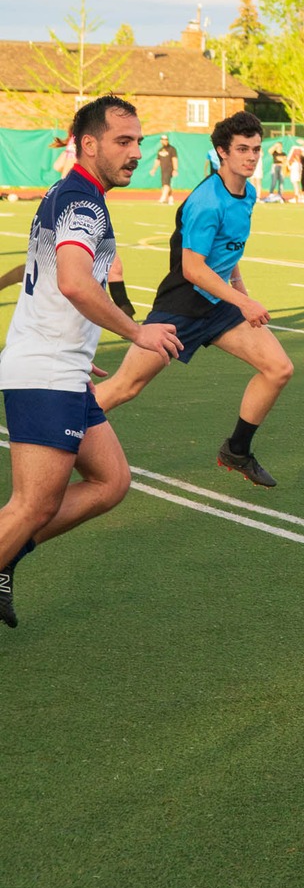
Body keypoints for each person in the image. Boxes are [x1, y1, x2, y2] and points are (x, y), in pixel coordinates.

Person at [0, 97, 182, 629]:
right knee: (33, 505)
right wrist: (137, 332)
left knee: (111, 481)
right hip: (45, 372)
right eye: (123, 141)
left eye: (138, 141)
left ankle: (7, 554)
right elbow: (75, 282)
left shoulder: (71, 193)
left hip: (62, 367)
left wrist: (79, 343)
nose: (136, 152)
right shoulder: (83, 202)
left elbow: (46, 276)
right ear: (88, 144)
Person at [94, 110, 294, 489]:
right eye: (242, 149)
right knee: (125, 388)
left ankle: (237, 450)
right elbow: (193, 269)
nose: (252, 157)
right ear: (222, 152)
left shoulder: (248, 193)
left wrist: (240, 291)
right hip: (182, 307)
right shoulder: (207, 201)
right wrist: (243, 303)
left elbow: (228, 250)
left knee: (278, 368)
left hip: (219, 305)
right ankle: (56, 428)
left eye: (256, 149)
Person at [155, 135, 179, 204]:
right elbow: (158, 160)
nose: (164, 141)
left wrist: (175, 169)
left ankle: (163, 198)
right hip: (163, 170)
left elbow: (174, 159)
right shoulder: (160, 150)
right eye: (163, 140)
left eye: (166, 139)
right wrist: (154, 169)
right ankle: (170, 198)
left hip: (169, 169)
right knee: (165, 185)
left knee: (166, 184)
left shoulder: (172, 149)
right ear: (161, 141)